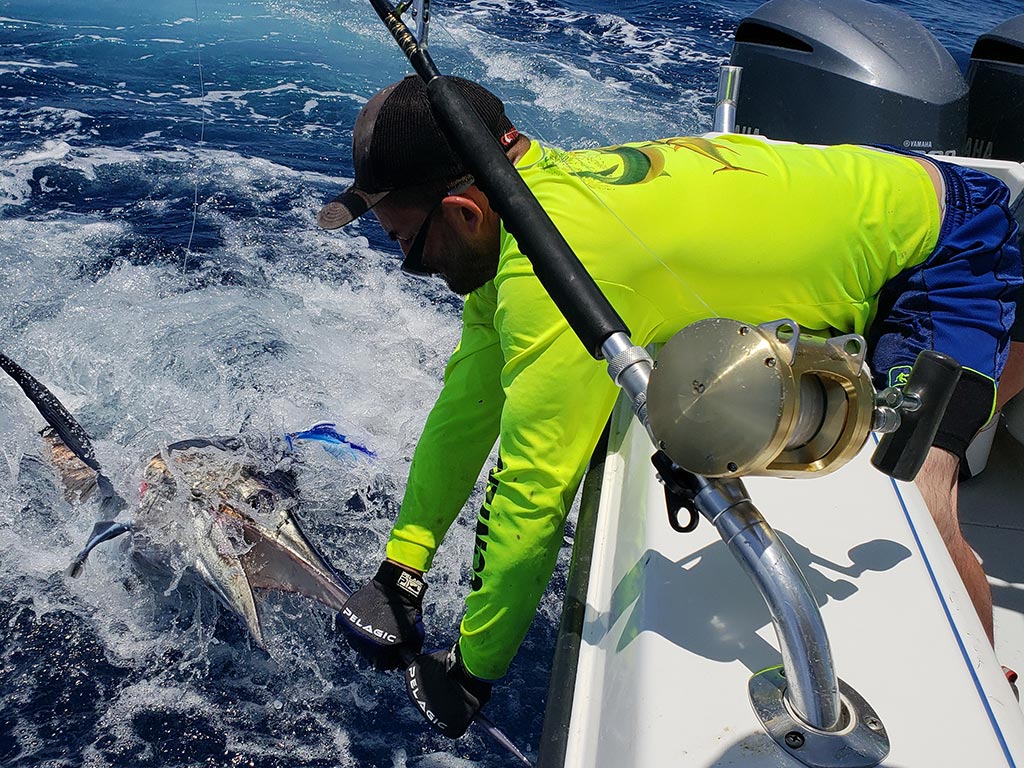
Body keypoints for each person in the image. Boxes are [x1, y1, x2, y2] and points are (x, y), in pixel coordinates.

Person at [317, 74, 1023, 736]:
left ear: (466, 210)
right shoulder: (524, 212)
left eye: (408, 247)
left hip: (944, 247)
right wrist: (400, 572)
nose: (415, 268)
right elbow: (467, 406)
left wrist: (472, 675)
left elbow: (533, 491)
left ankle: (986, 701)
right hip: (872, 215)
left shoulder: (551, 273)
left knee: (914, 497)